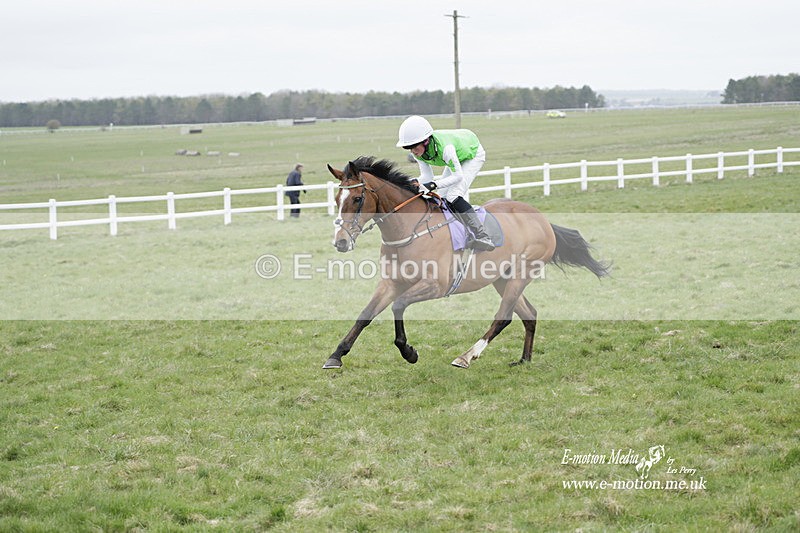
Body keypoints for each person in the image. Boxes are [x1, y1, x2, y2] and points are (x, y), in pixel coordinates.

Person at [396, 115, 494, 251]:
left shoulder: (446, 149)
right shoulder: (418, 153)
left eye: (414, 146)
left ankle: (482, 235)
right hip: (458, 155)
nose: (412, 151)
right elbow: (426, 176)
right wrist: (412, 182)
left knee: (454, 195)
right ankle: (455, 230)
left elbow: (458, 177)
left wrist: (433, 185)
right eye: (408, 148)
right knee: (442, 196)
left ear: (425, 141)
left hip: (472, 154)